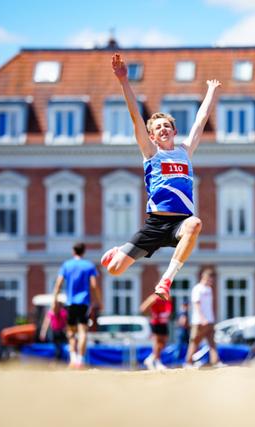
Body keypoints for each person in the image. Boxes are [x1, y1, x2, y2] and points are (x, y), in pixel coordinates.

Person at [100, 53, 221, 301]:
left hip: (180, 224)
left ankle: (166, 280)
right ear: (152, 136)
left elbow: (201, 121)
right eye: (157, 128)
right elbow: (136, 116)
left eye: (167, 126)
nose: (163, 129)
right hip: (155, 224)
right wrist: (123, 80)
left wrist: (211, 91)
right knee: (114, 270)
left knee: (195, 224)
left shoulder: (185, 151)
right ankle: (119, 250)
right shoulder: (150, 153)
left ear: (174, 131)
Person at [51, 242, 102, 369]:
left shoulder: (67, 265)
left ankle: (72, 359)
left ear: (73, 251)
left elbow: (58, 284)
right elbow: (94, 285)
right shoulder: (89, 266)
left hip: (70, 303)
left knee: (71, 331)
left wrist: (54, 300)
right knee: (83, 331)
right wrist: (99, 301)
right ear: (84, 252)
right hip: (84, 302)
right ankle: (80, 360)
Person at [186, 268, 222, 367]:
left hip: (209, 320)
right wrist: (202, 318)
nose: (211, 282)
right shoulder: (197, 289)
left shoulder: (209, 289)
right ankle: (188, 362)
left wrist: (211, 318)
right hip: (199, 321)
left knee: (212, 342)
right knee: (195, 342)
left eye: (212, 280)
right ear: (204, 277)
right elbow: (196, 304)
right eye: (209, 279)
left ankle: (215, 361)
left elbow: (209, 306)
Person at [140, 294, 172, 370]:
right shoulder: (154, 298)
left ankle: (150, 359)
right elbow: (143, 309)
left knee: (163, 343)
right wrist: (152, 316)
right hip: (157, 323)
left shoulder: (168, 298)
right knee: (157, 342)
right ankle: (157, 362)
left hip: (164, 323)